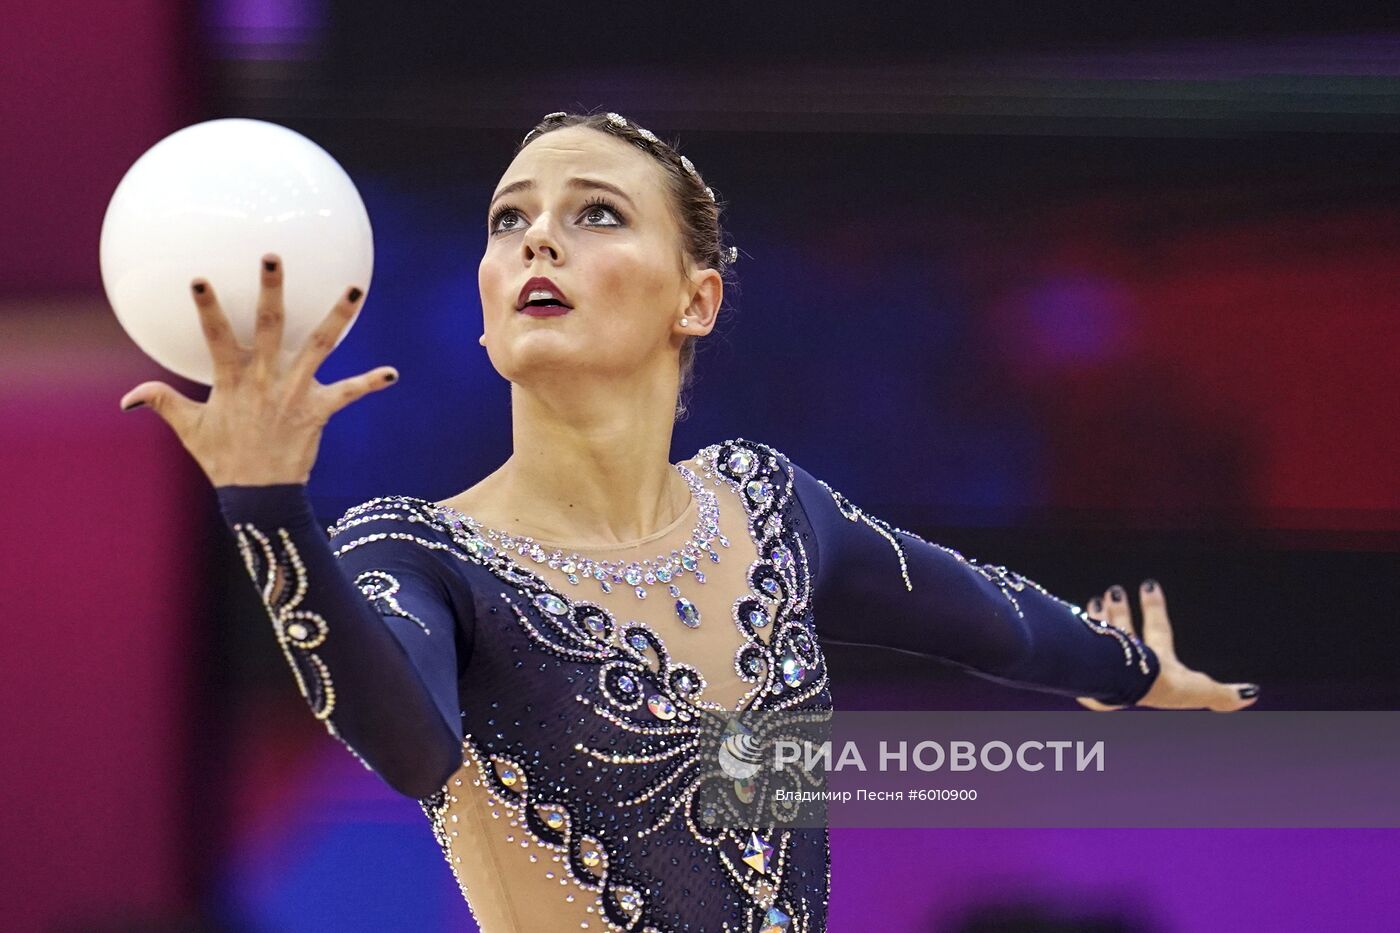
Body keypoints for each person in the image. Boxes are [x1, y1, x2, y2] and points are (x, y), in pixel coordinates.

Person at [119, 111, 1258, 933]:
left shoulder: (768, 511)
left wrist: (1129, 669)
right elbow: (412, 745)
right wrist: (269, 507)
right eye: (508, 219)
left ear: (695, 296)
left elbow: (991, 622)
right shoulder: (419, 553)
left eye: (594, 213)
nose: (536, 241)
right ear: (481, 308)